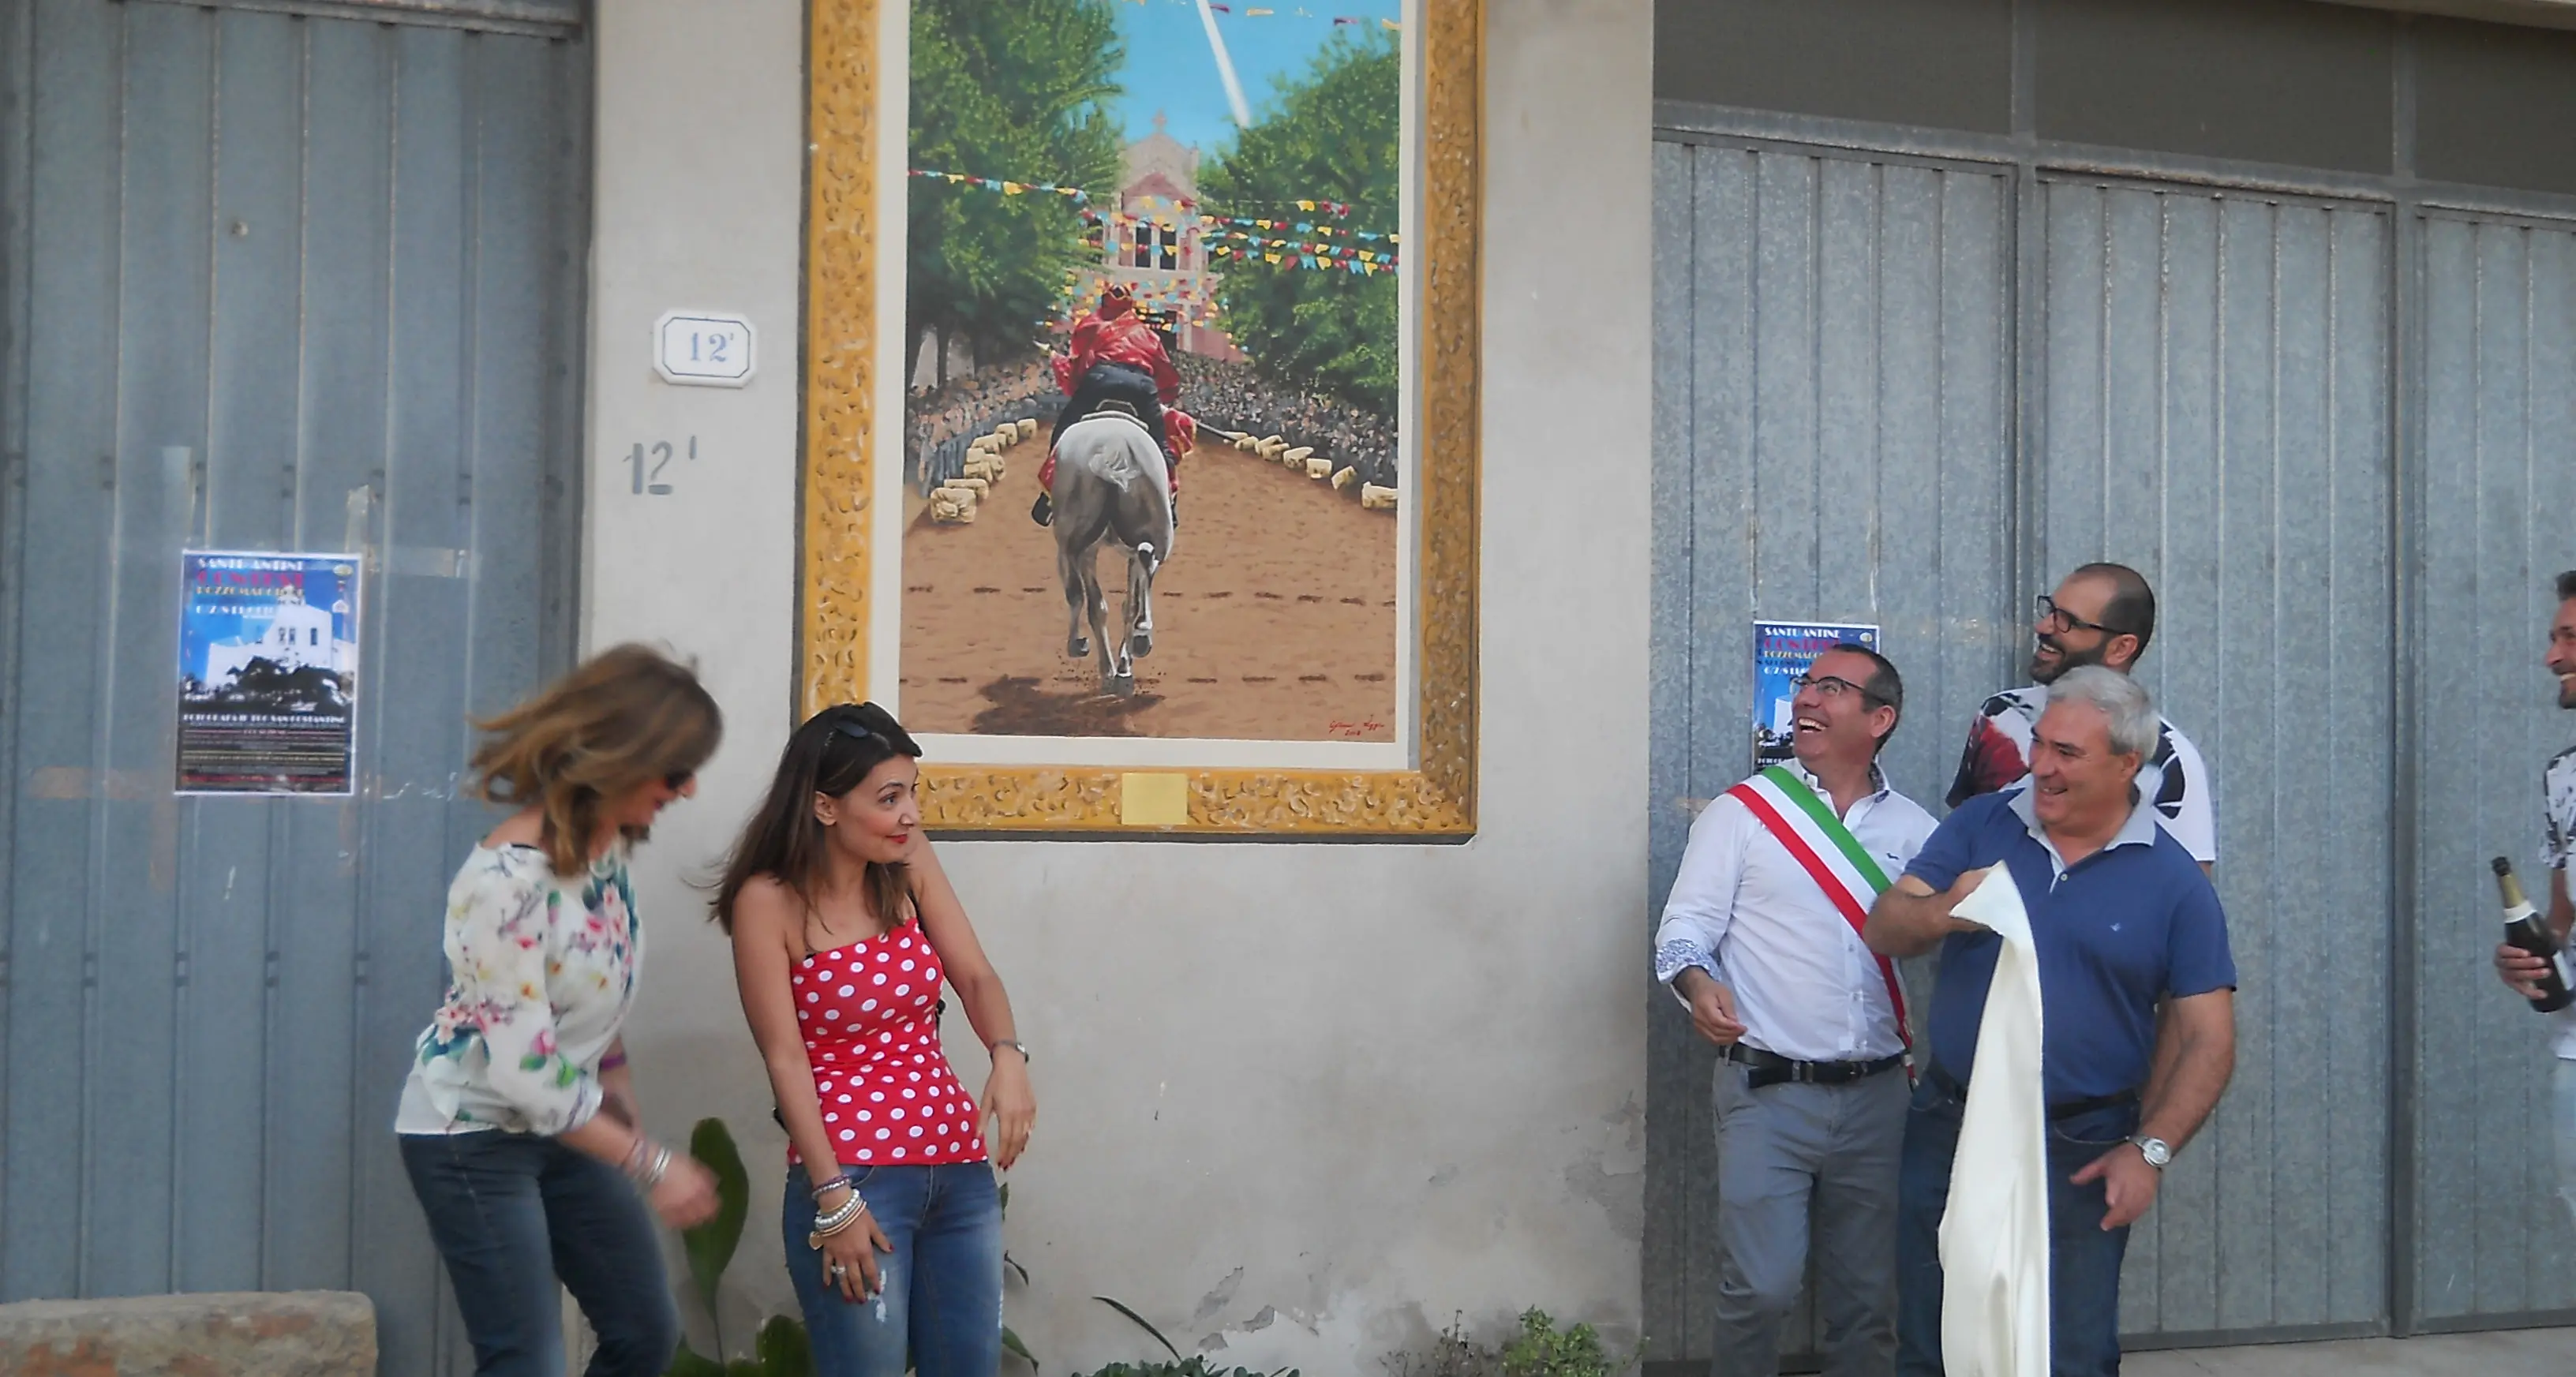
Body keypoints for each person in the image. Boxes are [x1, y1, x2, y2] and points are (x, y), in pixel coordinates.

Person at [1867, 667, 2237, 1377]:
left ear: (2129, 763)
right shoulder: (1982, 824)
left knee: (2069, 1349)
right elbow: (1886, 926)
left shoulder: (2175, 882)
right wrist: (1944, 908)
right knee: (1932, 1336)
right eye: (2039, 744)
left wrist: (2150, 1149)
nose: (2040, 765)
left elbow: (2208, 1038)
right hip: (1951, 1122)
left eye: (2067, 752)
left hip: (2081, 1144)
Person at [396, 644, 725, 1377]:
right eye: (676, 771)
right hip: (473, 1136)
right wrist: (653, 1163)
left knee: (643, 1332)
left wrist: (623, 1099)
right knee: (527, 1362)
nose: (690, 790)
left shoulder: (601, 856)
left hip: (569, 1126)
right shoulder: (505, 884)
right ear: (617, 756)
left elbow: (596, 997)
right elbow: (526, 1074)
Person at [714, 702, 1038, 1377]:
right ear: (826, 807)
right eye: (889, 798)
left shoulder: (905, 864)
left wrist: (1008, 1055)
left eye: (911, 794)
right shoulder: (766, 901)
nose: (910, 815)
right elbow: (784, 1056)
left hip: (956, 1169)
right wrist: (834, 1198)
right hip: (854, 1177)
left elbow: (975, 974)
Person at [1652, 644, 1936, 1377]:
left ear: (1880, 718)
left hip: (1878, 1096)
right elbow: (1684, 929)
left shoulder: (1916, 832)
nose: (1806, 699)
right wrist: (1694, 982)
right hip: (1765, 1093)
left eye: (1830, 688)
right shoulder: (1743, 813)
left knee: (1869, 1299)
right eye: (1804, 684)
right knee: (1761, 1285)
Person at [1949, 563, 2217, 866]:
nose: (2044, 627)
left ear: (2120, 648)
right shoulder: (1999, 715)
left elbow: (2185, 896)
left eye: (2069, 622)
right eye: (2050, 610)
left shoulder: (2166, 758)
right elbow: (1956, 842)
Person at [2493, 571, 2576, 1225]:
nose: (2552, 656)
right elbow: (2560, 927)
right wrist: (2528, 960)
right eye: (2553, 637)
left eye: (2569, 637)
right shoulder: (2563, 775)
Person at [1032, 284, 1182, 528]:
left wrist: (1063, 367)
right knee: (1161, 445)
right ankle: (1169, 502)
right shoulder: (1149, 335)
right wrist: (1162, 397)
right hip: (1143, 387)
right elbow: (1169, 379)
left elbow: (1078, 368)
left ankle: (1047, 496)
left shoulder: (1091, 324)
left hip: (1101, 379)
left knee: (1064, 432)